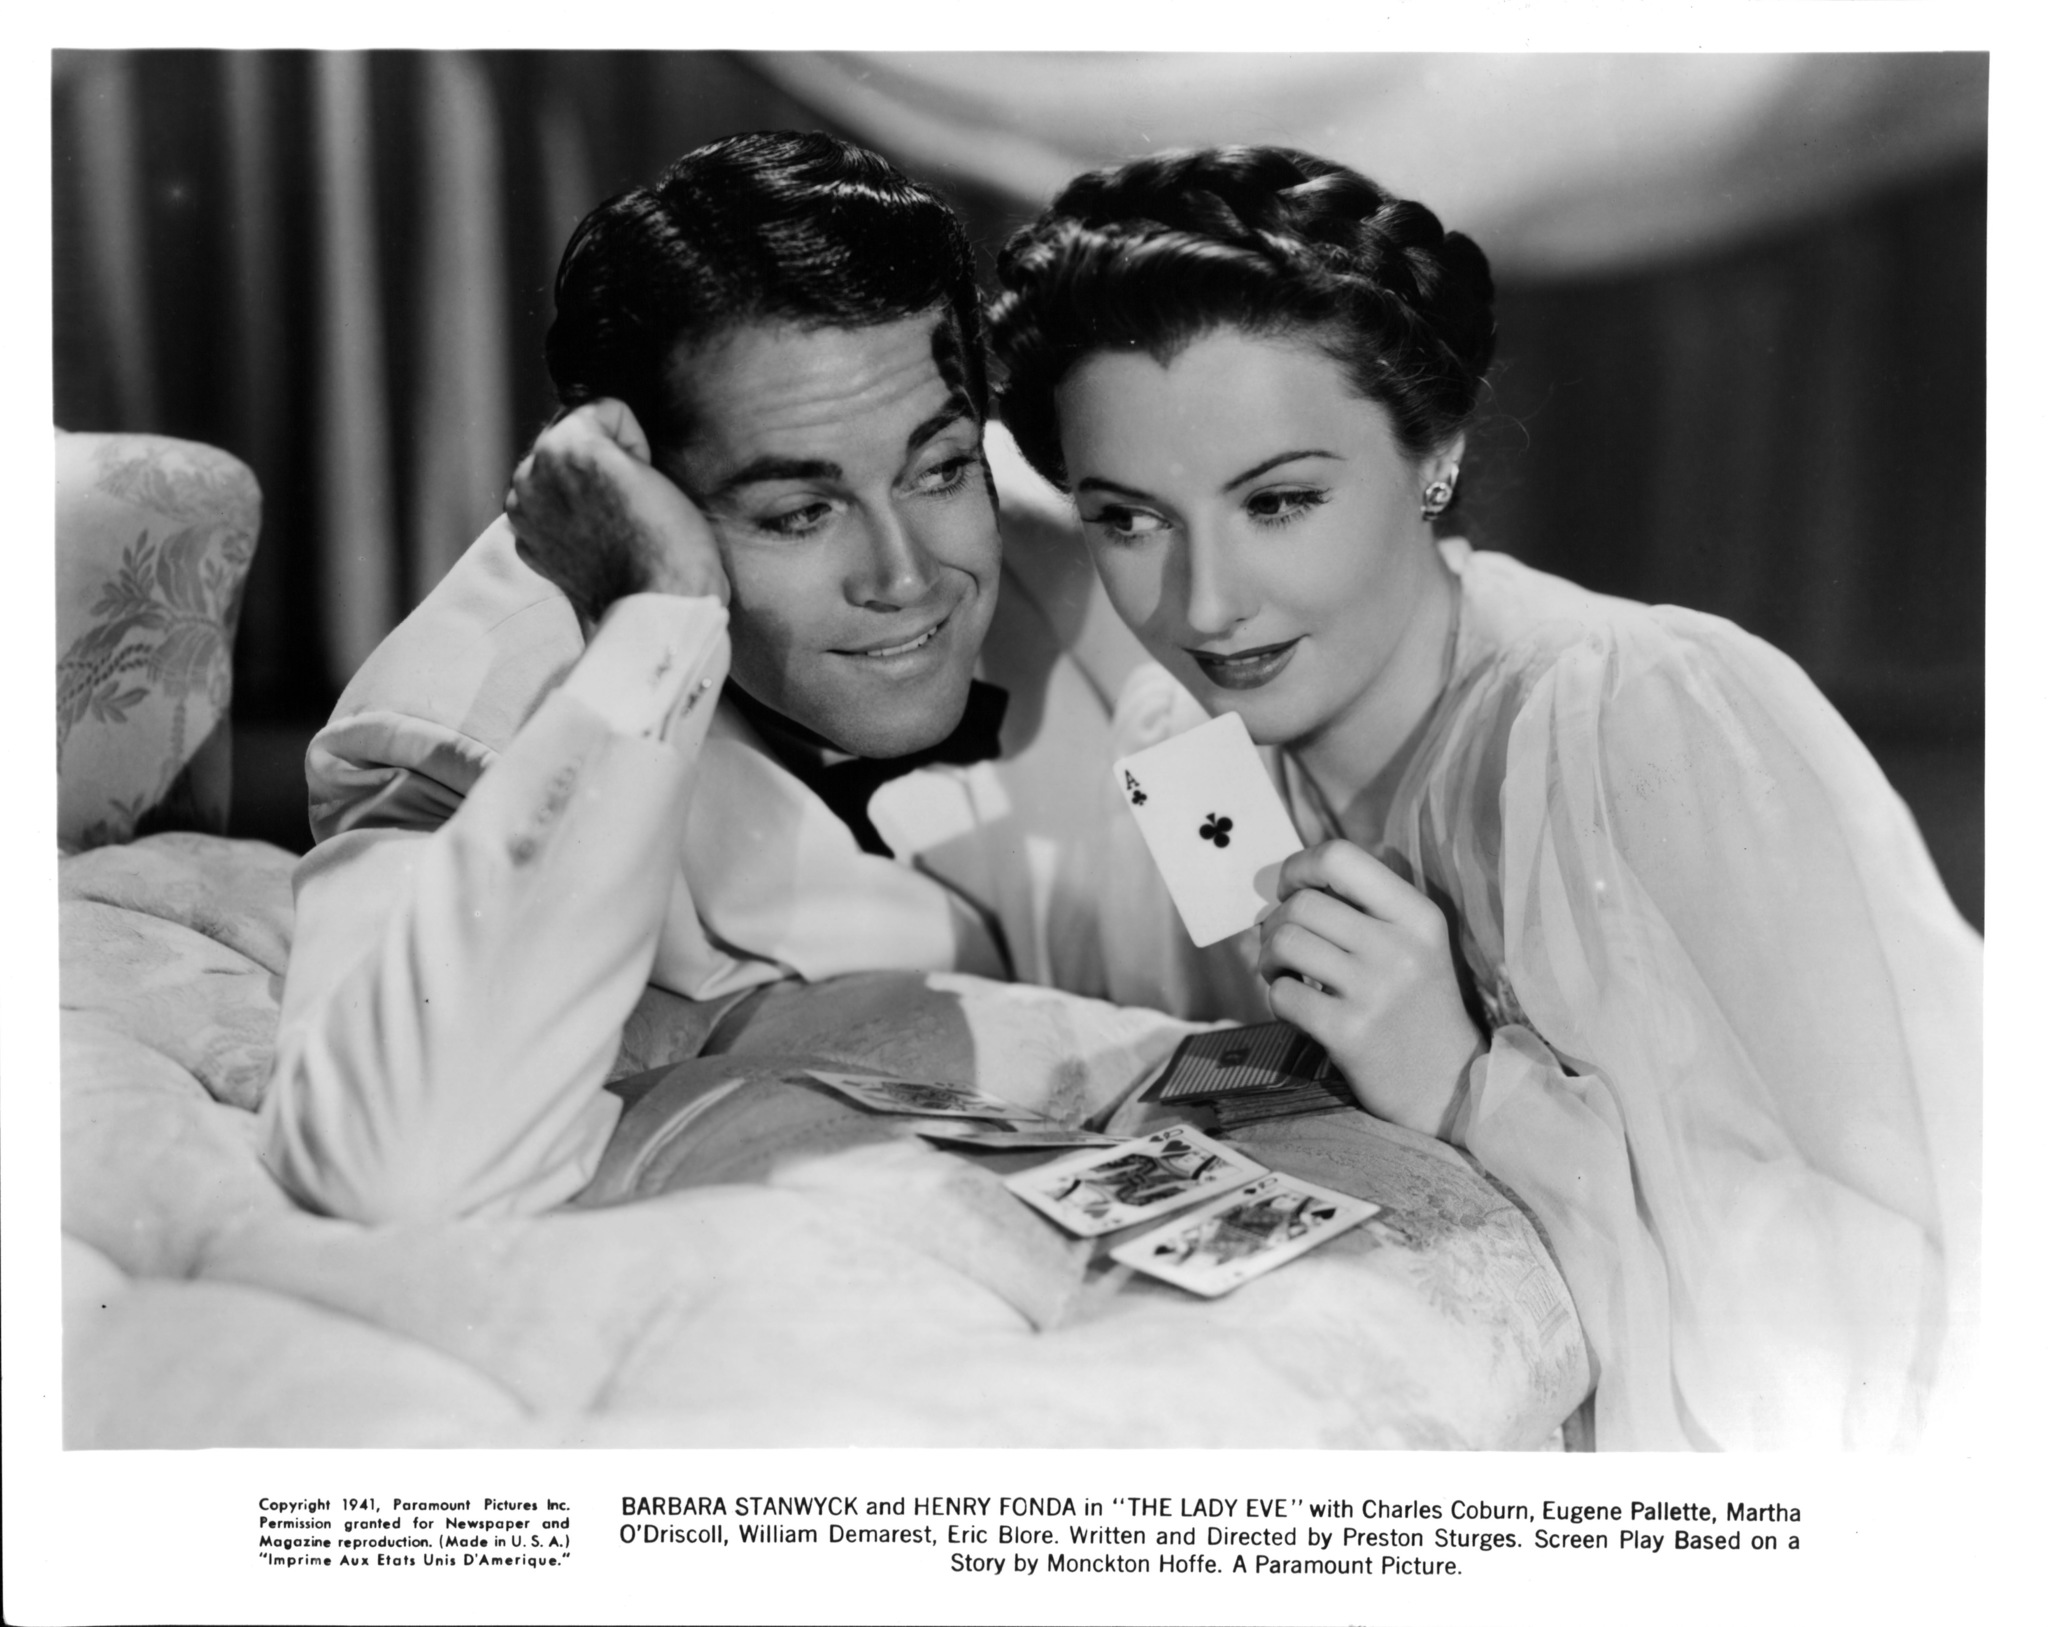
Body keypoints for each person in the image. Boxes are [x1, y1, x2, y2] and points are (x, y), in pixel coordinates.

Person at [984, 144, 1981, 1450]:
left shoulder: (1644, 715)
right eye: (1127, 520)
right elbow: (1228, 1084)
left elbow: (1892, 1320)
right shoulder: (1187, 750)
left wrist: (1457, 1084)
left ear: (1435, 455)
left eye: (1278, 501)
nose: (1206, 605)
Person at [258, 132, 1245, 1226]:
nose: (906, 576)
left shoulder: (1094, 568)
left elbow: (1247, 927)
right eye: (799, 513)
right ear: (641, 484)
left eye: (939, 468)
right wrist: (659, 619)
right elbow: (395, 1165)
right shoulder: (464, 717)